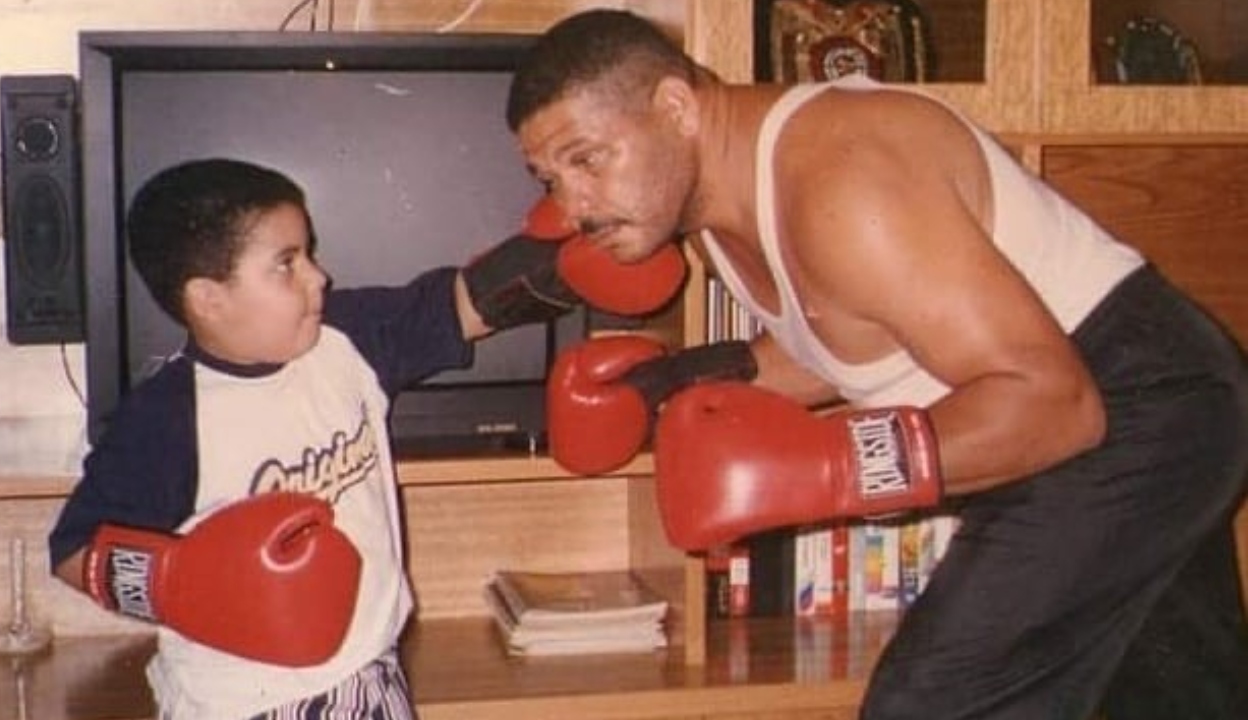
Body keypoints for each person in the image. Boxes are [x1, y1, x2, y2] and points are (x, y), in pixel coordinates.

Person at [515, 9, 1248, 720]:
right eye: (550, 177)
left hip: (1134, 405)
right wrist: (663, 389)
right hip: (1099, 404)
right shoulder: (713, 207)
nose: (574, 205)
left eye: (587, 158)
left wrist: (825, 471)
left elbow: (1058, 404)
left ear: (674, 105)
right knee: (1182, 699)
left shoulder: (844, 181)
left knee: (929, 704)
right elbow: (848, 341)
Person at [47, 157, 679, 719]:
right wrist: (186, 581)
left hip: (372, 677)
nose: (318, 278)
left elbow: (463, 303)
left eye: (309, 254)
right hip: (240, 701)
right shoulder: (166, 418)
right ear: (209, 300)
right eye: (286, 265)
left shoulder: (345, 340)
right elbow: (75, 547)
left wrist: (579, 249)